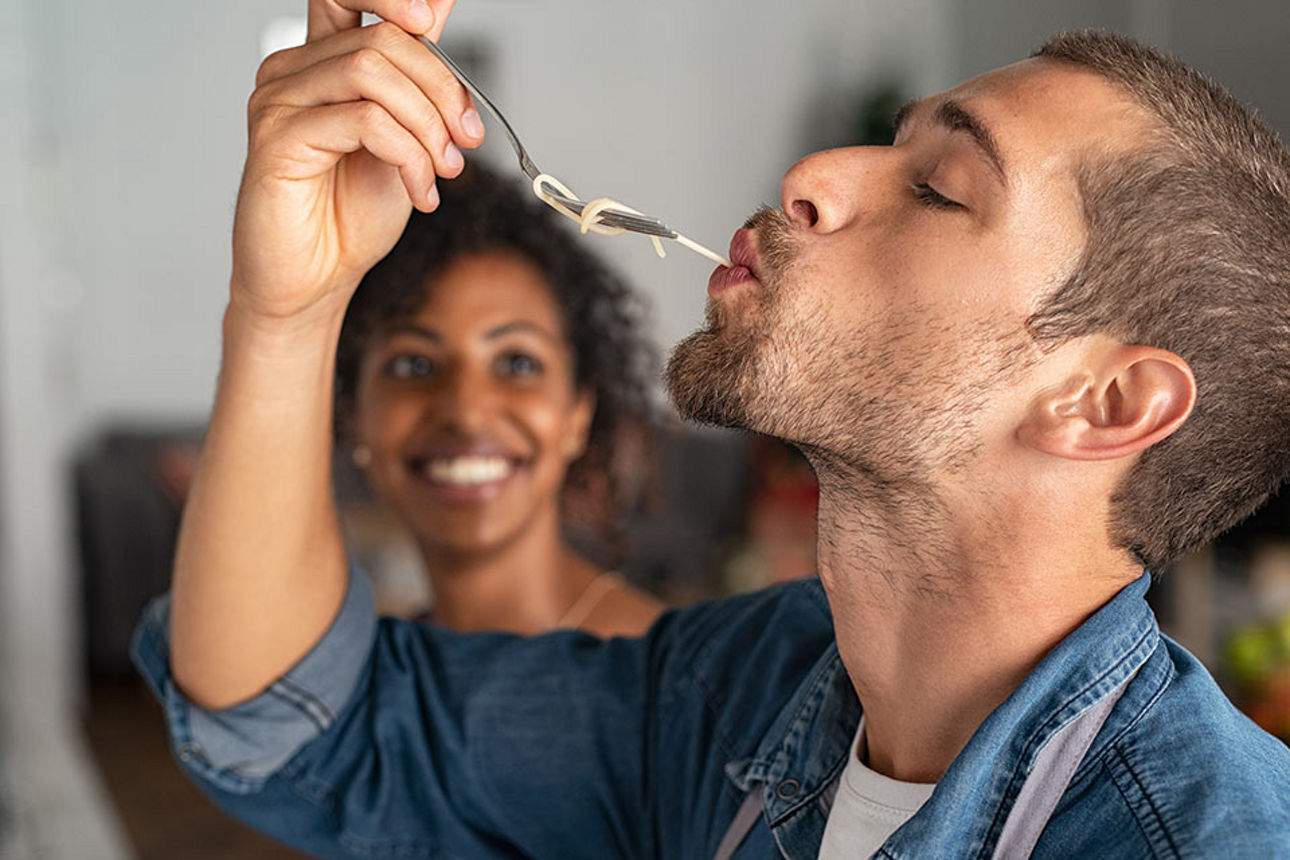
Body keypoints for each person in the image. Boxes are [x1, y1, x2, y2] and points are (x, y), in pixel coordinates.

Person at [133, 1, 1290, 856]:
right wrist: (291, 306)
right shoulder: (744, 691)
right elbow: (296, 728)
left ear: (1108, 403)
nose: (813, 175)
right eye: (890, 142)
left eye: (939, 188)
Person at [334, 163, 665, 637]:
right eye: (414, 365)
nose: (466, 414)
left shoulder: (667, 681)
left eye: (517, 364)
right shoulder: (366, 670)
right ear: (353, 414)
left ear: (578, 413)